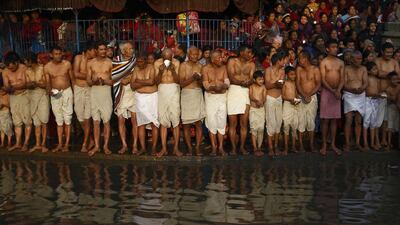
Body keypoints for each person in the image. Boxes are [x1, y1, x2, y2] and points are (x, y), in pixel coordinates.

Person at [44, 46, 74, 152]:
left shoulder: (67, 64)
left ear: (62, 54)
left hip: (67, 91)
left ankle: (66, 144)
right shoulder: (47, 67)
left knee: (68, 119)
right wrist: (49, 91)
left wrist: (73, 94)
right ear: (51, 55)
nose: (58, 55)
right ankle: (60, 144)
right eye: (56, 54)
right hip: (55, 94)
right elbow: (47, 83)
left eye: (59, 53)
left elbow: (72, 79)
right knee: (59, 120)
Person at [86, 42, 114, 156]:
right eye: (101, 49)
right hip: (94, 91)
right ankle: (97, 146)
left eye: (104, 49)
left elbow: (113, 81)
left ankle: (105, 146)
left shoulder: (111, 63)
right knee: (96, 121)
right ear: (96, 50)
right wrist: (95, 81)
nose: (103, 52)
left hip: (106, 91)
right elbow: (88, 80)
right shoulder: (90, 63)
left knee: (106, 120)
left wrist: (105, 81)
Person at [227, 45, 255, 155]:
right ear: (242, 52)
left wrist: (249, 82)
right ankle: (233, 148)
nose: (250, 54)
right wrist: (242, 83)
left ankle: (242, 147)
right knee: (232, 123)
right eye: (248, 52)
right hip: (233, 91)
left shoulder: (251, 64)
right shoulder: (232, 61)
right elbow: (231, 77)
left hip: (245, 93)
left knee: (244, 123)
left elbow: (252, 78)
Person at [154, 48, 182, 157]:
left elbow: (178, 81)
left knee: (175, 120)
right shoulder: (157, 63)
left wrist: (173, 70)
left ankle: (176, 148)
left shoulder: (176, 62)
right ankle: (164, 148)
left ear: (172, 56)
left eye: (169, 57)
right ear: (162, 56)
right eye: (164, 57)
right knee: (163, 120)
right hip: (162, 90)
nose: (167, 59)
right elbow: (156, 81)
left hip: (174, 90)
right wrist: (161, 72)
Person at [2, 52, 32, 152]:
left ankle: (26, 143)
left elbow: (26, 84)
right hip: (13, 97)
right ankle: (18, 143)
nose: (11, 69)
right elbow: (6, 86)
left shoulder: (23, 68)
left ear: (17, 62)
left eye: (13, 67)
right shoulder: (5, 71)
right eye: (9, 68)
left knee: (27, 120)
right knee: (17, 122)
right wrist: (8, 88)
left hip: (24, 95)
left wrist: (12, 87)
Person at [319, 39, 344, 156]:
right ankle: (324, 144)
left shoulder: (340, 62)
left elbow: (342, 78)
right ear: (327, 49)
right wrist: (333, 90)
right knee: (325, 120)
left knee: (334, 119)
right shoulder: (324, 62)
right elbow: (323, 80)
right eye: (333, 47)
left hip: (337, 93)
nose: (335, 49)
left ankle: (333, 144)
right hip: (327, 91)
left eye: (336, 47)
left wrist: (338, 90)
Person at [179, 46, 205, 156]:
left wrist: (198, 80)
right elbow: (181, 84)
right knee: (186, 125)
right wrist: (192, 78)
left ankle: (198, 147)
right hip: (186, 95)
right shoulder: (183, 66)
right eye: (192, 54)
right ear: (188, 55)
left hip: (197, 94)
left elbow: (202, 85)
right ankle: (189, 148)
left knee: (199, 123)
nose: (195, 56)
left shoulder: (200, 66)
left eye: (196, 54)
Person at [202, 50, 229, 156]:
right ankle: (214, 148)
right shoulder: (205, 68)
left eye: (221, 57)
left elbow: (227, 82)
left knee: (221, 123)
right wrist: (214, 87)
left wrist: (221, 86)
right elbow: (205, 85)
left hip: (222, 97)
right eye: (219, 58)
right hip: (210, 98)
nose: (221, 59)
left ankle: (221, 147)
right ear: (213, 60)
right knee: (211, 122)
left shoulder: (223, 68)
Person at [131, 53, 159, 155]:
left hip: (152, 97)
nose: (139, 63)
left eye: (141, 61)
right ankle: (143, 148)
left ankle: (154, 148)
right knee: (141, 124)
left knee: (154, 123)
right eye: (138, 61)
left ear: (146, 60)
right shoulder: (136, 69)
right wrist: (144, 82)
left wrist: (139, 81)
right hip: (140, 98)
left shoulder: (151, 67)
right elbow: (132, 86)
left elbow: (152, 82)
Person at [375, 42, 400, 150]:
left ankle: (386, 140)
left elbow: (397, 76)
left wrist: (386, 74)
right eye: (387, 52)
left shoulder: (395, 62)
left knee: (387, 119)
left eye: (391, 52)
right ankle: (379, 140)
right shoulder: (377, 61)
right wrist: (391, 74)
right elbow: (378, 73)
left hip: (393, 94)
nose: (389, 54)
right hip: (381, 93)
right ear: (382, 52)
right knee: (379, 119)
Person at [114, 42, 138, 154]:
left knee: (135, 120)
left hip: (133, 92)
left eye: (132, 48)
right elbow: (113, 76)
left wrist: (129, 78)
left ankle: (134, 146)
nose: (132, 50)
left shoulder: (136, 61)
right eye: (129, 48)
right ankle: (124, 145)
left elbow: (138, 74)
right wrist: (123, 79)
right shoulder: (115, 61)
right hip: (121, 93)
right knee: (121, 120)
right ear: (123, 51)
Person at [342, 51, 368, 151]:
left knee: (358, 121)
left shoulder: (363, 69)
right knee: (348, 120)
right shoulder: (346, 69)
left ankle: (357, 143)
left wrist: (362, 88)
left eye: (360, 58)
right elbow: (344, 84)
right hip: (349, 95)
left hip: (360, 95)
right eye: (357, 59)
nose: (359, 61)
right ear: (351, 59)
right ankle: (347, 143)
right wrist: (351, 89)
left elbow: (365, 82)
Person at [73, 43, 96, 152]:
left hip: (89, 89)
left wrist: (89, 77)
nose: (95, 53)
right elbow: (76, 74)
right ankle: (90, 139)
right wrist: (89, 76)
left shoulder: (94, 61)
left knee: (87, 117)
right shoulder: (78, 58)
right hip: (78, 88)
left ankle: (85, 143)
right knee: (79, 116)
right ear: (89, 50)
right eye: (94, 50)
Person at [296, 50, 321, 152]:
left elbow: (318, 84)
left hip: (312, 97)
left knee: (311, 122)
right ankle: (301, 145)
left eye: (300, 58)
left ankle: (311, 144)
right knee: (301, 121)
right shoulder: (298, 69)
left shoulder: (315, 69)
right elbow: (297, 83)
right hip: (301, 97)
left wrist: (309, 95)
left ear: (305, 59)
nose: (299, 60)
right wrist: (303, 95)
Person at [25, 52, 50, 153]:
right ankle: (37, 144)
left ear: (31, 61)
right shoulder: (27, 71)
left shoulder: (43, 68)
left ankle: (43, 144)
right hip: (32, 96)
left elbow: (47, 85)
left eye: (26, 61)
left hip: (43, 96)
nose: (25, 63)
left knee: (44, 121)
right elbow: (27, 85)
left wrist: (37, 84)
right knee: (36, 123)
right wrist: (31, 84)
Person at [264, 50, 287, 156]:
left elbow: (281, 84)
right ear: (278, 61)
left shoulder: (282, 71)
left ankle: (276, 146)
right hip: (270, 98)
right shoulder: (268, 70)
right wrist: (276, 83)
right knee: (270, 123)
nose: (284, 62)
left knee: (278, 123)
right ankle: (270, 147)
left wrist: (275, 83)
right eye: (283, 60)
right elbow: (267, 86)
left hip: (279, 98)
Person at [363, 62, 381, 151]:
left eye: (376, 68)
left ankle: (372, 143)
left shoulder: (377, 80)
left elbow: (379, 90)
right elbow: (365, 92)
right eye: (374, 69)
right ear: (369, 71)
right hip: (367, 100)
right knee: (366, 122)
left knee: (373, 122)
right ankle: (366, 143)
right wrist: (374, 94)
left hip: (375, 101)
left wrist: (378, 95)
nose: (376, 70)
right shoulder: (367, 79)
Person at [282, 66, 299, 155]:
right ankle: (286, 148)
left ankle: (293, 147)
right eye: (291, 74)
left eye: (294, 74)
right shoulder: (285, 84)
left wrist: (297, 99)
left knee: (294, 126)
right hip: (287, 105)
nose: (293, 76)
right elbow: (283, 96)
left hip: (294, 105)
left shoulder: (295, 83)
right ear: (287, 75)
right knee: (286, 126)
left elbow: (296, 94)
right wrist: (290, 100)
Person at [249, 70, 266, 156]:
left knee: (261, 129)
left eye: (262, 79)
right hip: (253, 109)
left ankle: (259, 147)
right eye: (259, 79)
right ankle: (255, 148)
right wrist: (256, 100)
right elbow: (251, 96)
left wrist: (261, 102)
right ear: (254, 80)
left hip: (261, 109)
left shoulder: (263, 87)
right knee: (253, 129)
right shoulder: (251, 86)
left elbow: (264, 96)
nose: (261, 81)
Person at [385, 71, 400, 149]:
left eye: (397, 79)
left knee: (398, 125)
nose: (395, 81)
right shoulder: (388, 89)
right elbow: (389, 100)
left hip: (398, 107)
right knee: (390, 126)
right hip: (391, 107)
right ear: (389, 80)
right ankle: (388, 143)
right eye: (393, 79)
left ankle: (397, 144)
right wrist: (392, 98)